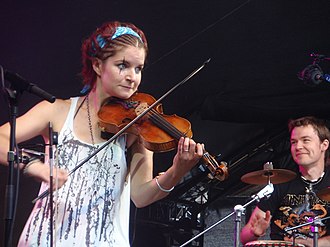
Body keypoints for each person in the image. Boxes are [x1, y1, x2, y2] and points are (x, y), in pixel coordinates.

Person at [0, 21, 204, 246]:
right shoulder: (57, 111)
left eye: (138, 69)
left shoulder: (138, 127)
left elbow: (141, 195)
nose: (132, 77)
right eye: (122, 65)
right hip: (47, 239)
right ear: (97, 66)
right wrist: (33, 166)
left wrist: (176, 171)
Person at [241, 116, 330, 247]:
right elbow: (244, 237)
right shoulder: (280, 181)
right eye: (294, 142)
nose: (298, 146)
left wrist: (308, 244)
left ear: (324, 145)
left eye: (305, 140)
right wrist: (255, 232)